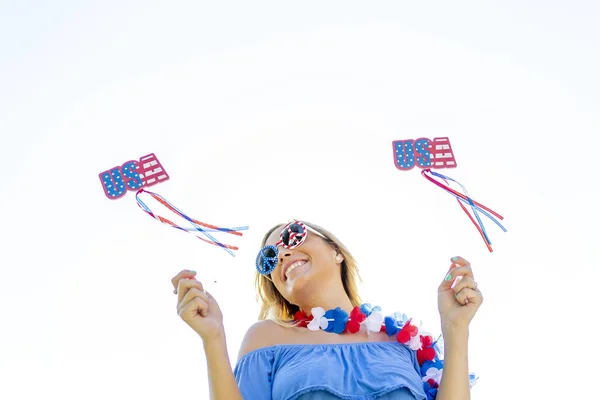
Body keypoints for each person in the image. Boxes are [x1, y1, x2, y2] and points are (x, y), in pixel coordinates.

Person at [171, 221, 482, 400]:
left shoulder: (403, 343)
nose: (282, 253)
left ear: (336, 252)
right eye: (268, 258)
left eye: (292, 237)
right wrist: (213, 340)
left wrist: (456, 329)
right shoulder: (266, 339)